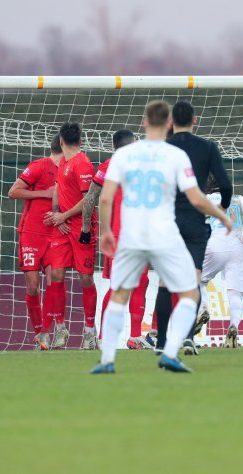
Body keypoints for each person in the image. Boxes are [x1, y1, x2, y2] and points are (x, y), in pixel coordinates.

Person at [91, 100, 232, 374]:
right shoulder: (175, 156)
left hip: (131, 235)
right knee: (190, 292)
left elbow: (105, 198)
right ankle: (170, 351)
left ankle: (107, 360)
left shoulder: (123, 156)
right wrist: (223, 215)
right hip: (164, 234)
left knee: (119, 295)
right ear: (168, 123)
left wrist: (106, 232)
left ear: (144, 122)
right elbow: (196, 198)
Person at [154, 100, 233, 355]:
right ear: (194, 120)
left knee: (165, 284)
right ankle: (187, 338)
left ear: (170, 123)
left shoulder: (161, 148)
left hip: (168, 221)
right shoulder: (207, 147)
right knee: (192, 282)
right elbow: (225, 184)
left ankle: (162, 342)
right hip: (195, 222)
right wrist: (221, 209)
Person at [80, 129, 151, 350]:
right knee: (140, 283)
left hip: (117, 237)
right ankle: (134, 336)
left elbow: (91, 198)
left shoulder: (108, 166)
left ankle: (107, 338)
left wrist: (85, 228)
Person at [43, 121, 98, 349]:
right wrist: (57, 214)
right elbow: (58, 188)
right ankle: (61, 329)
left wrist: (64, 216)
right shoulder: (64, 161)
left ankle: (88, 331)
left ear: (61, 141)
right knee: (56, 274)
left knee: (85, 277)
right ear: (80, 140)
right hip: (63, 227)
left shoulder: (83, 163)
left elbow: (89, 200)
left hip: (81, 228)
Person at [7, 134, 61, 349]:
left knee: (53, 283)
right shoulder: (39, 166)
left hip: (55, 234)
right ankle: (38, 332)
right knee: (32, 286)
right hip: (31, 233)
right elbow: (13, 192)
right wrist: (44, 194)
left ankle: (47, 333)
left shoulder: (70, 168)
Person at [198, 177, 243, 348]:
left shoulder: (205, 199)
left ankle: (203, 309)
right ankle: (233, 327)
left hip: (214, 243)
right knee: (235, 293)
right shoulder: (237, 199)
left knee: (196, 280)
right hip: (238, 245)